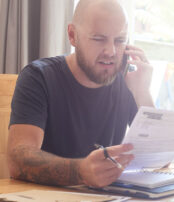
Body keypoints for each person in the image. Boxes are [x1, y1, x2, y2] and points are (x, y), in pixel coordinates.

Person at [7, 0, 154, 188]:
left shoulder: (127, 81)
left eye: (119, 40)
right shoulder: (39, 77)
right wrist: (80, 171)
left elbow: (158, 158)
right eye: (98, 39)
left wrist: (142, 92)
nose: (111, 51)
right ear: (72, 35)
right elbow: (17, 160)